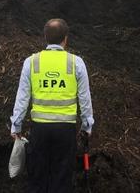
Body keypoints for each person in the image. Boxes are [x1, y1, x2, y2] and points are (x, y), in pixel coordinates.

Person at [10, 18, 94, 193]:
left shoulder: (31, 62)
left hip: (39, 130)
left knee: (37, 178)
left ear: (45, 38)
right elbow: (85, 99)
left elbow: (22, 97)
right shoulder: (76, 63)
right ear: (66, 38)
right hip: (65, 130)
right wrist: (87, 126)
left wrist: (16, 126)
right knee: (62, 179)